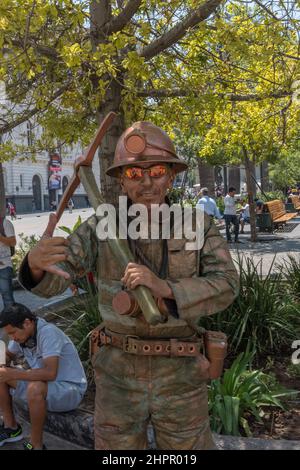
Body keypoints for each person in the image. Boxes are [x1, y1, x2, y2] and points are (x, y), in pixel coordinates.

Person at [18, 121, 239, 450]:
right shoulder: (100, 226)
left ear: (173, 175)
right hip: (117, 375)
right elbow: (55, 279)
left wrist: (166, 289)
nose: (147, 182)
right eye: (135, 174)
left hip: (181, 375)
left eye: (158, 170)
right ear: (121, 179)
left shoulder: (197, 225)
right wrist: (35, 267)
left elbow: (227, 284)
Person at [0, 303, 87, 450]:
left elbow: (50, 373)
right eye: (9, 334)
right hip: (47, 389)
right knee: (2, 375)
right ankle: (12, 429)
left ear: (27, 323)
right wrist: (3, 364)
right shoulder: (22, 335)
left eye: (13, 333)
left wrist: (13, 372)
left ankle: (36, 445)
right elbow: (8, 355)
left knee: (35, 387)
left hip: (70, 390)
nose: (12, 338)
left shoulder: (48, 333)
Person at [0, 215, 16, 308]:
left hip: (4, 267)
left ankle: (11, 319)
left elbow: (13, 242)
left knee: (7, 297)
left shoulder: (5, 223)